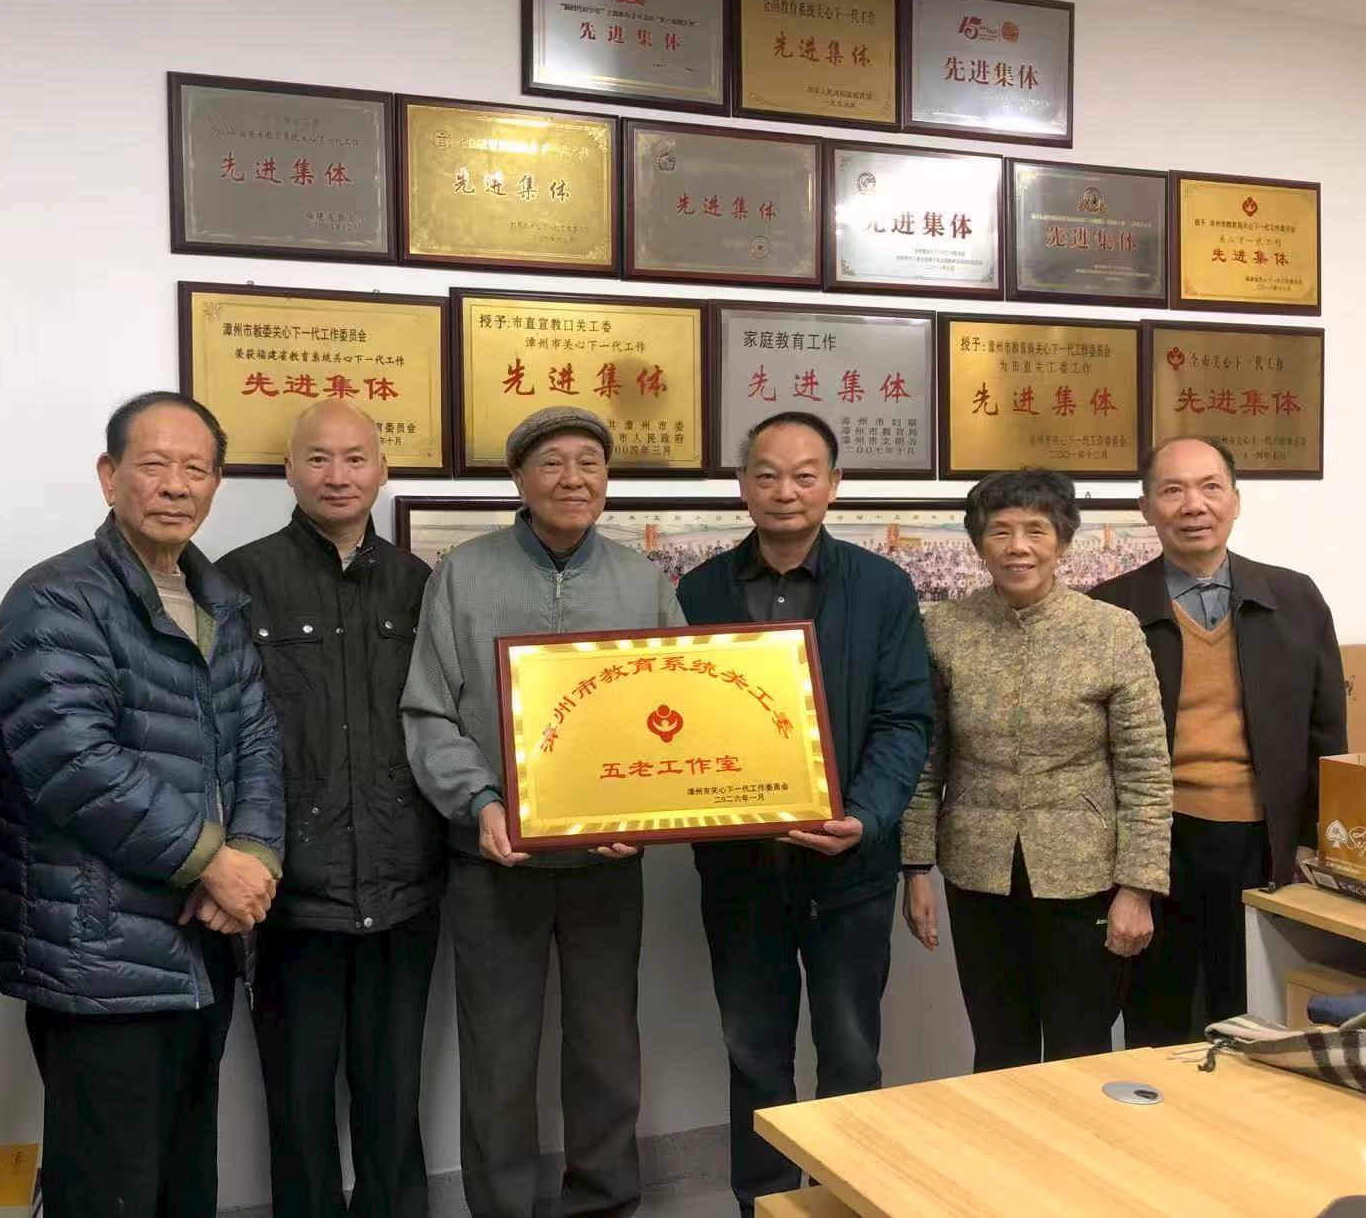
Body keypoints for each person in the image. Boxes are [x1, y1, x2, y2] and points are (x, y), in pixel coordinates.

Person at [0, 391, 283, 1218]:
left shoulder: (217, 598)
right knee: (107, 1186)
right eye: (154, 464)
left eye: (196, 468)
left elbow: (258, 739)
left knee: (186, 1176)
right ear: (109, 475)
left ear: (216, 482)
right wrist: (212, 860)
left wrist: (255, 856)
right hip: (99, 948)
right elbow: (73, 761)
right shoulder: (56, 598)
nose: (175, 484)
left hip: (200, 943)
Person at [401, 407, 682, 1218]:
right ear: (519, 479)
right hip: (493, 860)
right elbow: (428, 712)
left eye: (589, 462)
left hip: (606, 864)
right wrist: (480, 801)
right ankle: (504, 1208)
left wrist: (647, 811)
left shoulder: (643, 581)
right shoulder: (464, 575)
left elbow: (682, 708)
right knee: (497, 1057)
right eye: (552, 462)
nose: (573, 479)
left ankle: (604, 1201)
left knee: (606, 1050)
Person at [674, 412, 932, 1217]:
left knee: (851, 1056)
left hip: (850, 870)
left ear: (834, 484)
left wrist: (867, 815)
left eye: (804, 474)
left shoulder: (883, 587)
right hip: (741, 873)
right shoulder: (698, 590)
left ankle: (843, 1204)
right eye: (767, 473)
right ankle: (763, 1205)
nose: (785, 490)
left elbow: (905, 719)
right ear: (742, 485)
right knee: (753, 1055)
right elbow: (675, 720)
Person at [217, 401, 441, 1218]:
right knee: (298, 1103)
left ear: (383, 469)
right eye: (318, 458)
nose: (337, 475)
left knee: (394, 1096)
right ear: (289, 470)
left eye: (354, 458)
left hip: (404, 885)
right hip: (290, 896)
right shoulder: (238, 579)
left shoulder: (420, 584)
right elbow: (219, 732)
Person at [902, 470, 1172, 1072]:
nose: (1017, 546)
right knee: (999, 1046)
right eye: (1000, 531)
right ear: (979, 544)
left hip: (1085, 874)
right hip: (976, 872)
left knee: (1081, 1049)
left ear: (1063, 542)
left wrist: (1139, 888)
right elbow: (926, 759)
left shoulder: (1111, 631)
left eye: (1036, 530)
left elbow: (1146, 771)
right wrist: (915, 868)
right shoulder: (943, 629)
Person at [1092, 437, 1346, 1045]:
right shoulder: (1110, 608)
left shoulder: (1295, 598)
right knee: (1158, 1014)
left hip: (1265, 843)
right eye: (1172, 490)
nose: (1194, 505)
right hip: (1158, 842)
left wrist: (1314, 843)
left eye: (1210, 487)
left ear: (1236, 500)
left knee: (1255, 1009)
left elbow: (1326, 733)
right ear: (1146, 507)